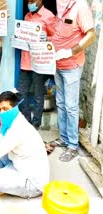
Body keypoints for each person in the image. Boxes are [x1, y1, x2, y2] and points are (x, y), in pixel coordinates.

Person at [51, 0, 96, 161]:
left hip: (72, 64)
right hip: (57, 64)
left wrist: (71, 51)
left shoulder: (80, 5)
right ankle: (64, 138)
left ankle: (72, 145)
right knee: (61, 103)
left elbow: (91, 35)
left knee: (71, 106)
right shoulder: (60, 3)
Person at [17, 0, 56, 129]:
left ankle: (36, 124)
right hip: (25, 61)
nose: (30, 3)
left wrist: (47, 38)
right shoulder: (27, 16)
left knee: (39, 95)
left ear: (40, 1)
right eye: (29, 1)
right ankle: (27, 121)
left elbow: (56, 37)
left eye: (33, 1)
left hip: (39, 62)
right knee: (21, 93)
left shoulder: (48, 16)